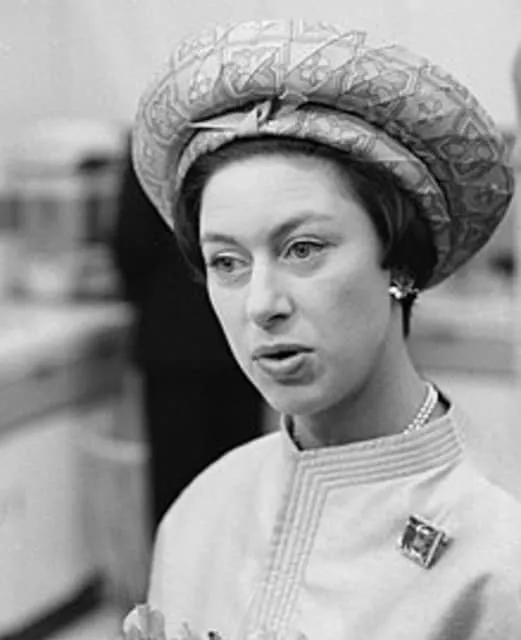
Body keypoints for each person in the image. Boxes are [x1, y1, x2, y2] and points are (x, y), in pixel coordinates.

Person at [123, 20, 521, 640]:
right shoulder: (201, 512)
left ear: (399, 260)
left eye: (303, 249)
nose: (262, 305)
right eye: (227, 262)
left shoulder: (496, 549)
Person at [110, 138, 263, 530]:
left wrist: (147, 298)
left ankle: (174, 570)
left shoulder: (151, 147)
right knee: (239, 479)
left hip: (171, 341)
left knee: (177, 488)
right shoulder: (244, 142)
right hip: (239, 337)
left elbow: (131, 245)